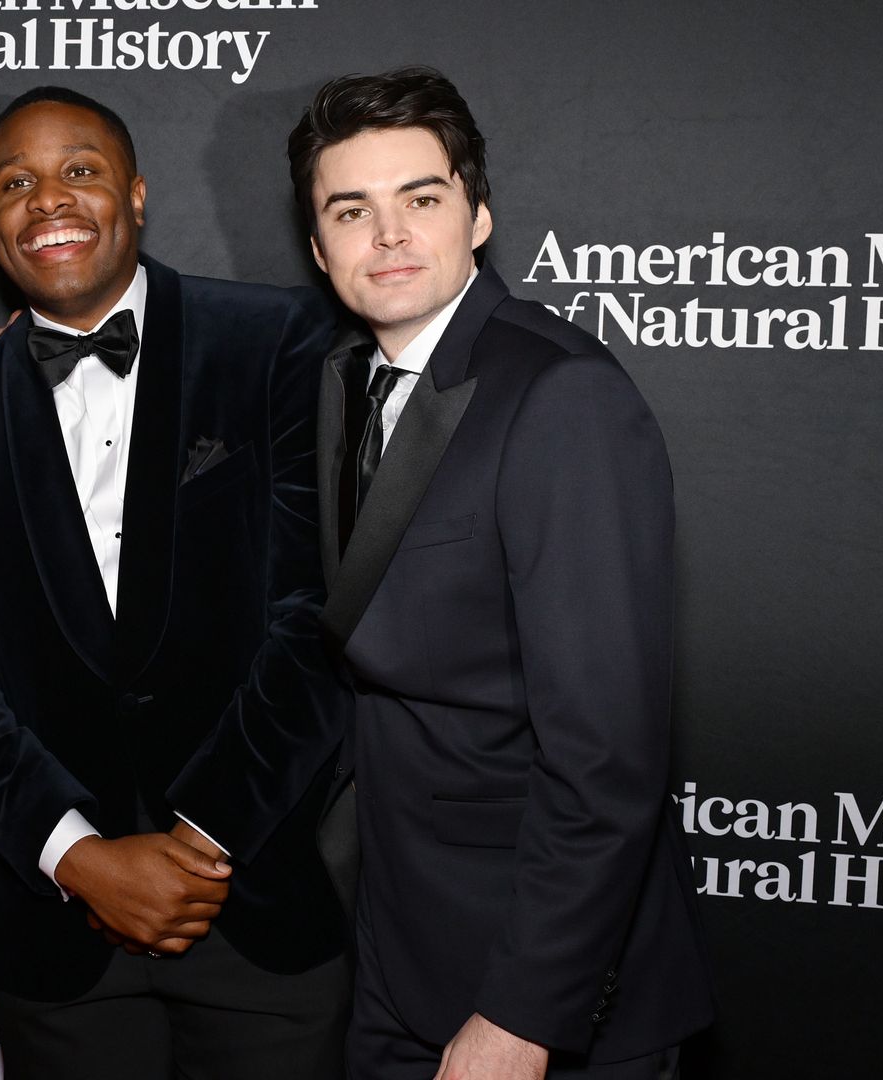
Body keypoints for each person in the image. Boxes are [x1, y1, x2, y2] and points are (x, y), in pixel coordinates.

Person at [0, 86, 350, 1079]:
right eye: (15, 182)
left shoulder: (274, 340)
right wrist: (78, 856)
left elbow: (316, 617)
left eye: (80, 171)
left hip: (255, 898)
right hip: (56, 937)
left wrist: (199, 839)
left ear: (138, 196)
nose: (47, 199)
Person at [287, 67, 715, 1078]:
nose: (388, 235)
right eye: (353, 211)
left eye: (421, 199)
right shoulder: (344, 381)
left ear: (477, 216)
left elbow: (608, 755)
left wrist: (525, 1016)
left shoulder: (561, 397)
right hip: (395, 950)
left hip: (538, 991)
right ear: (318, 246)